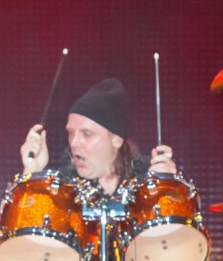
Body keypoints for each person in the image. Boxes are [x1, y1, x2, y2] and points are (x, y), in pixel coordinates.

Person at [19, 77, 176, 191]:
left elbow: (182, 227)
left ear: (116, 139)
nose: (74, 142)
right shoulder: (62, 185)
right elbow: (18, 226)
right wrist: (32, 172)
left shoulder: (148, 176)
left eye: (87, 134)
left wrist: (170, 187)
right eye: (71, 132)